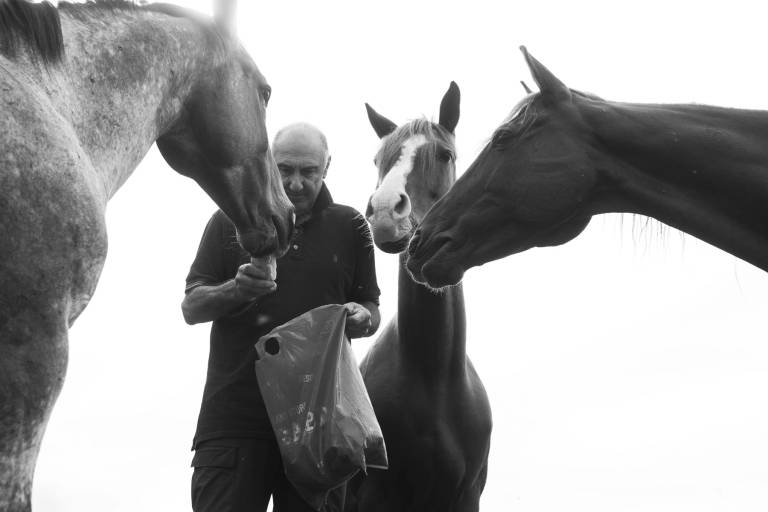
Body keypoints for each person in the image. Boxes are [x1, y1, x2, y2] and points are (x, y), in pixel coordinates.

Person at [182, 122, 381, 512]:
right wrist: (236, 290)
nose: (296, 183)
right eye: (285, 169)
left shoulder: (352, 228)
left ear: (327, 167)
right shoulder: (230, 219)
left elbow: (370, 308)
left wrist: (363, 317)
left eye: (309, 171)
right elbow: (191, 306)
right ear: (269, 163)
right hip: (234, 423)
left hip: (322, 428)